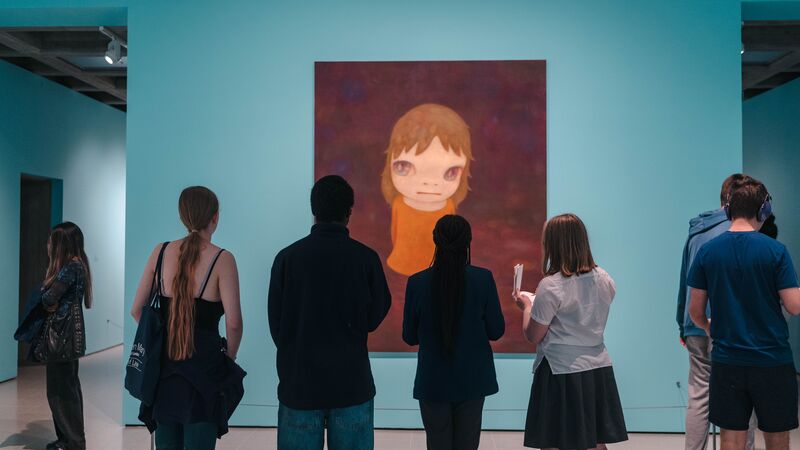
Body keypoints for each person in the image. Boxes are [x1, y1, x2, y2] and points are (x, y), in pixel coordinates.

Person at [268, 175, 392, 450]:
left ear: (314, 210)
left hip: (299, 385)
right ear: (349, 212)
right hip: (351, 384)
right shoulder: (366, 258)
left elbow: (277, 324)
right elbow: (376, 315)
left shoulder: (287, 258)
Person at [688, 177, 800, 450]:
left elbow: (695, 311)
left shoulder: (708, 251)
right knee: (777, 437)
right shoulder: (776, 251)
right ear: (763, 211)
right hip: (772, 359)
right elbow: (794, 305)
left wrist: (707, 326)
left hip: (728, 361)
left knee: (732, 438)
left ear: (728, 209)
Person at [131, 186, 244, 449]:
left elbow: (137, 310)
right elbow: (235, 323)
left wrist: (161, 339)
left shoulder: (160, 252)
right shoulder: (222, 259)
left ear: (183, 217)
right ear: (215, 217)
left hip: (164, 371)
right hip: (205, 372)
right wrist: (230, 357)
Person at [513, 213, 627, 450]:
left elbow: (534, 334)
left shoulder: (551, 285)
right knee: (595, 441)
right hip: (597, 367)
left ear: (553, 245)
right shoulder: (605, 278)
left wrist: (526, 306)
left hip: (560, 371)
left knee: (554, 441)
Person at [402, 215, 505, 450]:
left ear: (435, 241)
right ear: (468, 242)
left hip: (433, 379)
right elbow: (496, 330)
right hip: (473, 379)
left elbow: (409, 336)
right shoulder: (483, 279)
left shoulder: (417, 282)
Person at [677, 173, 756, 450]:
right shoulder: (741, 234)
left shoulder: (697, 230)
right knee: (742, 396)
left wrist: (682, 323)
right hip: (731, 326)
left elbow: (684, 279)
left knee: (699, 395)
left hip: (695, 322)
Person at [380, 103, 473, 276]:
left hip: (436, 269)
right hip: (400, 265)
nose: (429, 183)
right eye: (404, 167)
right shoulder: (400, 203)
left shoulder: (447, 206)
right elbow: (396, 235)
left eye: (450, 172)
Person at [41, 222, 92, 450]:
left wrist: (46, 297)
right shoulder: (78, 265)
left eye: (52, 241)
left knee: (61, 392)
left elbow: (50, 297)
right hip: (68, 337)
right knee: (66, 388)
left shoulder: (70, 268)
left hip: (62, 337)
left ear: (61, 244)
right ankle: (67, 440)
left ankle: (72, 442)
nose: (48, 245)